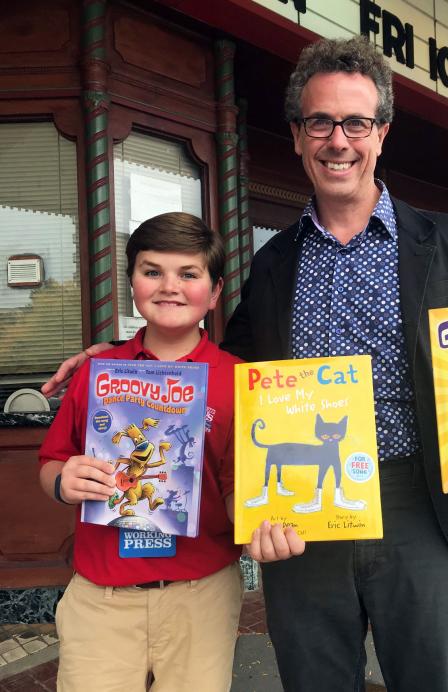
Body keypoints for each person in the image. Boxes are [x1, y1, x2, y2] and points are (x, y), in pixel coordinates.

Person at [43, 37, 448, 692]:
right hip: (300, 505)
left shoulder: (445, 241)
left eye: (356, 122)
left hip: (420, 501)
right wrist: (118, 358)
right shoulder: (275, 262)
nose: (340, 140)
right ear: (301, 136)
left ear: (381, 133)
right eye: (321, 122)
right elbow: (220, 367)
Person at [39, 213, 243, 692]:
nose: (169, 286)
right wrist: (62, 482)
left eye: (188, 274)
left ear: (214, 293)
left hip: (202, 595)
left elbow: (239, 488)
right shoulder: (96, 373)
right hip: (101, 598)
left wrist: (268, 521)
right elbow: (50, 464)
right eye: (152, 271)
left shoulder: (238, 380)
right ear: (132, 283)